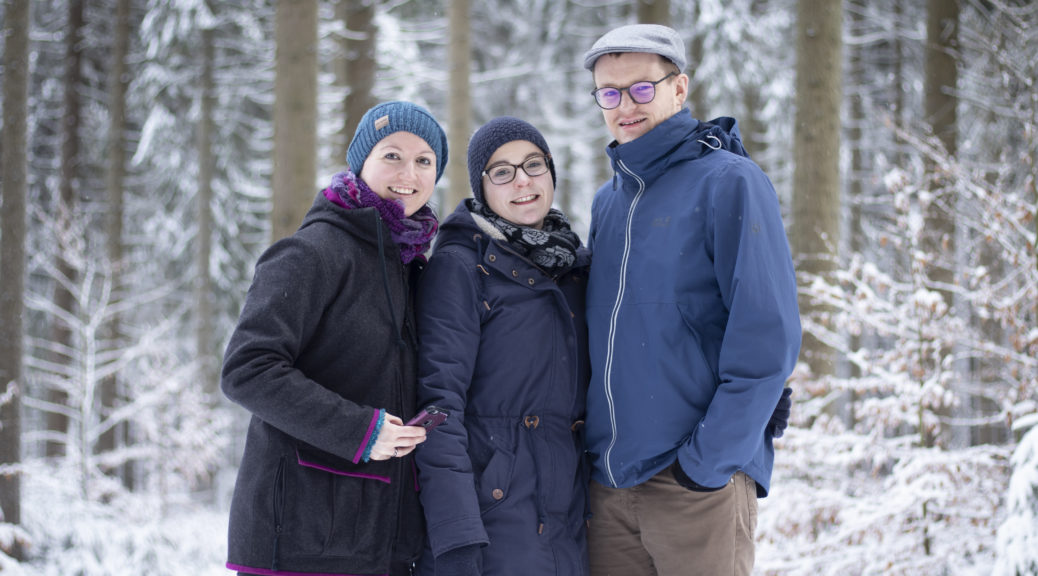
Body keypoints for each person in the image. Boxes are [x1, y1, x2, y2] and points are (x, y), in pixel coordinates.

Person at [580, 24, 802, 576]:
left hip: (695, 486)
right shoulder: (608, 202)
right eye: (609, 92)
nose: (624, 105)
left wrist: (707, 464)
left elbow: (767, 338)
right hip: (609, 487)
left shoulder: (730, 183)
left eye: (641, 88)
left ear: (679, 89)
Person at [220, 101, 448, 576]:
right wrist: (362, 431)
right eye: (392, 155)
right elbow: (247, 370)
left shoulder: (410, 266)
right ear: (360, 161)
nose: (409, 172)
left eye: (424, 160)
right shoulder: (311, 253)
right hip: (299, 541)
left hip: (377, 544)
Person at [413, 117, 591, 576]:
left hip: (569, 514)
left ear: (551, 171)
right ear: (482, 187)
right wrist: (456, 536)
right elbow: (438, 407)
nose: (523, 181)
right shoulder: (459, 267)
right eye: (502, 171)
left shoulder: (574, 267)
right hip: (492, 519)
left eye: (533, 164)